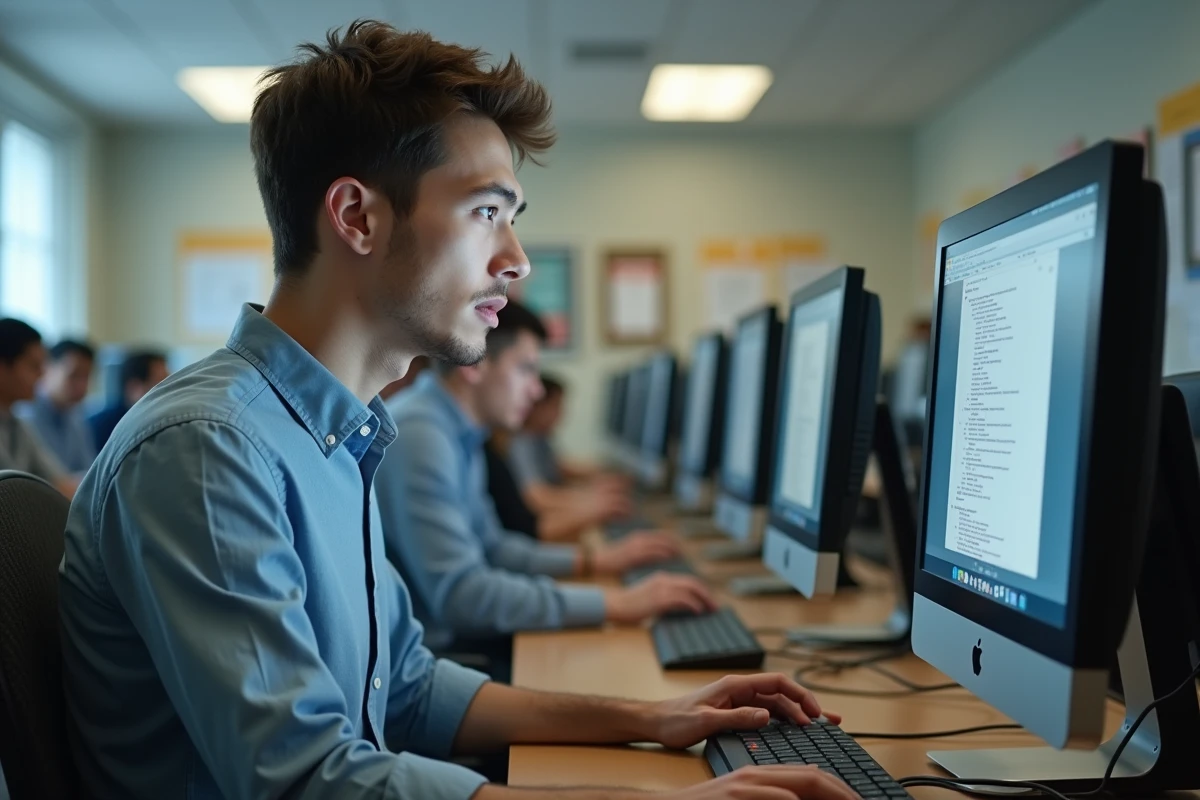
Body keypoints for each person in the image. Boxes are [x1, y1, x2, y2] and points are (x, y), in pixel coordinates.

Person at [57, 22, 853, 800]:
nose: (515, 260)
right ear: (357, 217)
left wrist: (654, 716)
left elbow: (406, 688)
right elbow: (305, 780)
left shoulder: (337, 436)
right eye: (485, 213)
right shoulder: (208, 450)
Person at [379, 300, 704, 670]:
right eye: (526, 369)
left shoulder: (459, 432)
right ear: (475, 364)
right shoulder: (422, 435)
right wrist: (615, 603)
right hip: (438, 660)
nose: (536, 391)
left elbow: (495, 548)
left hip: (457, 646)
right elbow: (462, 596)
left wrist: (595, 563)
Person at [507, 374, 631, 520]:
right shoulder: (520, 443)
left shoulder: (539, 439)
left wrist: (600, 477)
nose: (562, 413)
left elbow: (559, 467)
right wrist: (592, 501)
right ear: (537, 407)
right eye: (557, 405)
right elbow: (537, 497)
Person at [0, 318, 78, 497]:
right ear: (2, 367)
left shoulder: (18, 424)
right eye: (34, 366)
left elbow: (60, 481)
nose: (43, 374)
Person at [15, 338, 97, 474]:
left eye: (86, 377)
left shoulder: (75, 416)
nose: (82, 386)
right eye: (74, 375)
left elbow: (89, 471)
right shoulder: (24, 414)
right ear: (47, 368)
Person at [87, 348, 168, 451]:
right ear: (134, 387)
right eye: (161, 384)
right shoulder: (98, 428)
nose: (170, 391)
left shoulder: (161, 423)